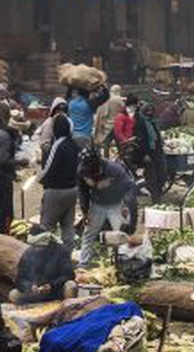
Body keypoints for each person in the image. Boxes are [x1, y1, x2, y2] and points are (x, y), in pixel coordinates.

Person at [76, 149, 138, 265]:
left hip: (116, 204)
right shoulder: (82, 171)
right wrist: (85, 211)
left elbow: (129, 188)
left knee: (121, 234)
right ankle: (84, 263)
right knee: (89, 234)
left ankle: (124, 262)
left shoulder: (114, 169)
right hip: (97, 205)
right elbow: (83, 192)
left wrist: (126, 206)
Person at [36, 113, 80, 247]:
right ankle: (67, 256)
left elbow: (49, 168)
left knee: (46, 227)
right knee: (68, 226)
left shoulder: (57, 145)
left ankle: (43, 258)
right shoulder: (74, 145)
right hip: (72, 190)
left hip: (56, 191)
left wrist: (40, 178)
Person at [0, 111, 23, 233]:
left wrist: (13, 173)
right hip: (1, 179)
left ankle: (0, 234)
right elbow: (3, 160)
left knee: (1, 212)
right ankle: (4, 236)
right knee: (7, 213)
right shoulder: (6, 139)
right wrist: (19, 162)